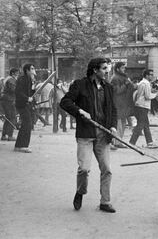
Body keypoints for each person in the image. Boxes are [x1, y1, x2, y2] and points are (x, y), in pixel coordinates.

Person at [60, 57, 118, 213]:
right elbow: (65, 102)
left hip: (103, 134)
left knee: (106, 169)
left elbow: (113, 109)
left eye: (108, 68)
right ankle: (80, 192)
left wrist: (112, 126)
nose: (107, 71)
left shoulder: (108, 87)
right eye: (105, 68)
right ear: (95, 70)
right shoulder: (80, 85)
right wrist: (79, 111)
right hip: (85, 133)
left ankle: (105, 202)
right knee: (84, 169)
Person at [129, 69, 158, 148]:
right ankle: (132, 142)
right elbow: (147, 96)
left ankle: (150, 142)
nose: (152, 76)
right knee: (141, 124)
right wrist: (155, 94)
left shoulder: (142, 83)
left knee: (145, 125)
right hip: (143, 106)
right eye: (151, 74)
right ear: (146, 75)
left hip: (139, 105)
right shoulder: (146, 83)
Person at [110, 62, 134, 148]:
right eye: (123, 68)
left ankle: (118, 141)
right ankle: (116, 142)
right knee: (119, 123)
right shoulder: (115, 78)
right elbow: (117, 91)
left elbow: (132, 88)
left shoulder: (124, 77)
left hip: (124, 103)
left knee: (123, 123)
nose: (124, 69)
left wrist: (131, 84)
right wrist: (126, 84)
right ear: (117, 69)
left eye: (124, 68)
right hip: (118, 104)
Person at [14, 64, 37, 153]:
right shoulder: (22, 79)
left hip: (27, 104)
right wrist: (27, 98)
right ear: (27, 70)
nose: (33, 70)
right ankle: (22, 146)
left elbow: (31, 92)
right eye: (32, 68)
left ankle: (20, 146)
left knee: (26, 124)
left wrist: (34, 84)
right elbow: (18, 92)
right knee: (27, 124)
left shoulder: (30, 80)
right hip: (21, 104)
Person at [1, 68, 19, 141]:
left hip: (5, 100)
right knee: (12, 117)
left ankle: (4, 135)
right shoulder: (11, 80)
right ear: (13, 73)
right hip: (9, 100)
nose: (18, 74)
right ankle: (10, 136)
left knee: (8, 118)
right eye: (17, 73)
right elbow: (14, 90)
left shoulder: (7, 79)